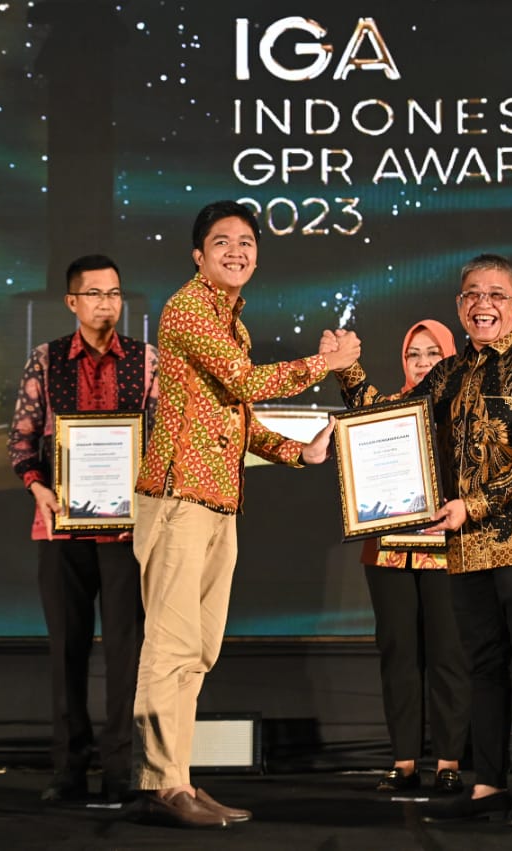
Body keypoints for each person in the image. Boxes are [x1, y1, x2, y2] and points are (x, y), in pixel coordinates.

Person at [128, 200, 361, 830]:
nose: (236, 251)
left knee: (199, 651)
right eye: (222, 241)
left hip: (218, 502)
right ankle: (160, 783)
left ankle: (178, 778)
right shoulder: (188, 309)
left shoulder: (233, 321)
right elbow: (246, 382)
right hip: (177, 499)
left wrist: (295, 451)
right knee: (170, 649)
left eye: (247, 242)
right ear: (197, 255)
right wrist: (326, 364)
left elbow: (235, 415)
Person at [329, 253, 512, 827]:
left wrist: (473, 505)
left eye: (496, 294)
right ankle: (488, 786)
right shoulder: (452, 372)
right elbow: (391, 417)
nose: (484, 304)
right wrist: (347, 370)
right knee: (482, 664)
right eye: (472, 294)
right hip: (466, 545)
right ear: (460, 307)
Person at [6, 254, 156, 804]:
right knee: (66, 650)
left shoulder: (146, 360)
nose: (106, 304)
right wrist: (38, 487)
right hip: (59, 528)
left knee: (126, 654)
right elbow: (21, 441)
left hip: (127, 532)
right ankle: (68, 770)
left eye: (114, 293)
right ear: (72, 302)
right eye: (94, 294)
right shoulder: (46, 360)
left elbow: (162, 437)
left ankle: (122, 772)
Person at [360, 320, 469, 796]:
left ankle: (448, 762)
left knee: (449, 654)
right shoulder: (385, 411)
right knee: (398, 654)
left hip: (448, 549)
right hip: (389, 550)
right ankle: (403, 761)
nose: (423, 363)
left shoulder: (466, 412)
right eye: (413, 355)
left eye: (433, 354)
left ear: (450, 357)